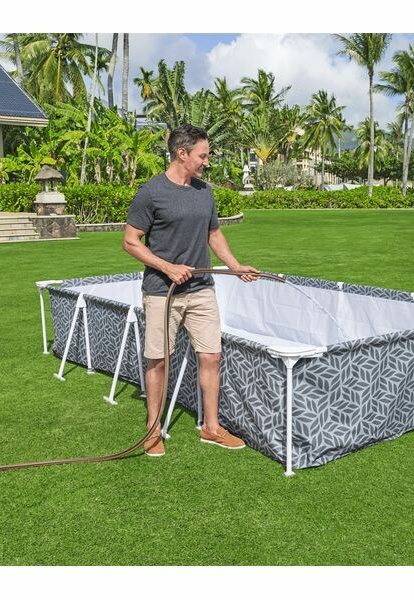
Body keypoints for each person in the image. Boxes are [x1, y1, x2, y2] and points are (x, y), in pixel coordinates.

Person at [123, 124, 259, 457]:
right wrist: (167, 267)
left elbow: (214, 235)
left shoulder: (204, 192)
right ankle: (153, 429)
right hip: (162, 291)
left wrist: (235, 266)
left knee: (211, 356)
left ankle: (211, 427)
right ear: (181, 154)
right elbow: (130, 241)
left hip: (201, 290)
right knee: (158, 361)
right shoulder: (151, 192)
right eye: (203, 155)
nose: (206, 162)